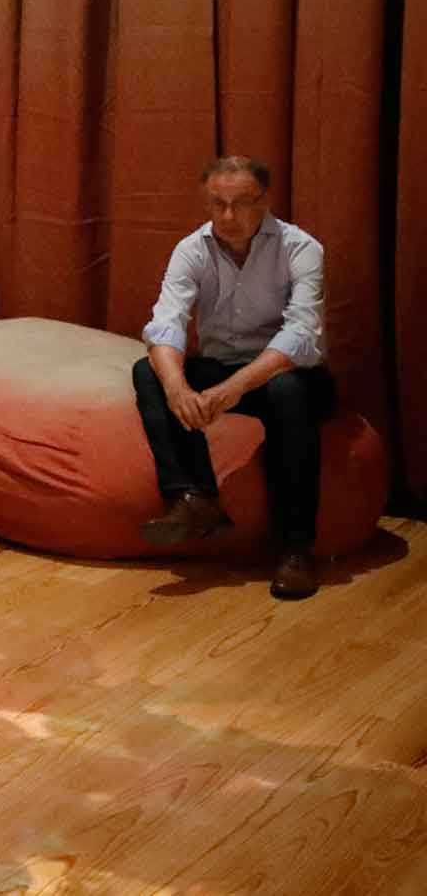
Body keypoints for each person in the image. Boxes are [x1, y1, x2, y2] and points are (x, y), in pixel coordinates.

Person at [133, 156, 333, 600]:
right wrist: (177, 388)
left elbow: (301, 336)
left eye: (241, 203)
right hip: (223, 366)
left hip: (290, 373)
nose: (227, 216)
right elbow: (165, 324)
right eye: (217, 203)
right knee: (149, 370)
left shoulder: (300, 248)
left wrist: (233, 388)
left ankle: (297, 549)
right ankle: (193, 498)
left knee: (287, 389)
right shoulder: (191, 249)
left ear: (264, 201)